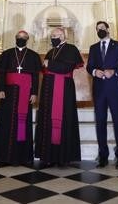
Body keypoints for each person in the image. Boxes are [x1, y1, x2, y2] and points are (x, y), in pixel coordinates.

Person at [0, 31, 42, 166]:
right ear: (15, 38)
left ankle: (23, 156)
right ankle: (2, 156)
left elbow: (36, 76)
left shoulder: (33, 56)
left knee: (23, 122)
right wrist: (0, 89)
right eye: (19, 37)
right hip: (8, 93)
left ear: (27, 39)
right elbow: (1, 74)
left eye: (23, 38)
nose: (21, 39)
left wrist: (34, 93)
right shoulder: (7, 54)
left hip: (26, 93)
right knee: (5, 122)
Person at [35, 27, 83, 167]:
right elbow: (44, 69)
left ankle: (64, 156)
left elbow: (67, 68)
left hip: (64, 90)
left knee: (64, 120)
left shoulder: (71, 49)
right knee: (48, 120)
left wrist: (50, 64)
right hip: (49, 90)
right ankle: (49, 156)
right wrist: (46, 66)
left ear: (63, 36)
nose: (53, 38)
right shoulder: (51, 51)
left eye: (55, 35)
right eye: (52, 36)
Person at [86, 21, 118, 169]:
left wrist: (114, 72)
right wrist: (94, 72)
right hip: (99, 91)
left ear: (108, 29)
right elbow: (89, 66)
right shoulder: (93, 48)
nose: (100, 31)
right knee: (100, 123)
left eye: (102, 28)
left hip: (115, 89)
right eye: (98, 29)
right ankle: (103, 156)